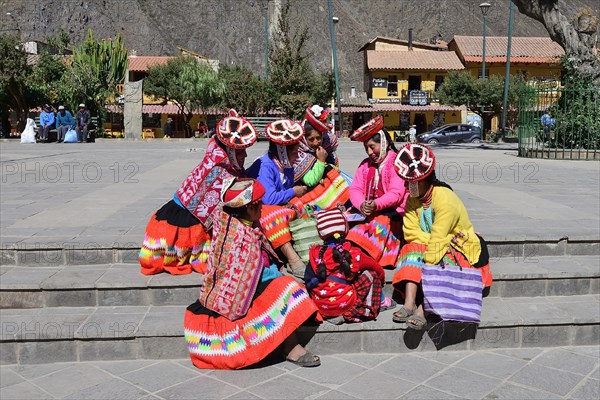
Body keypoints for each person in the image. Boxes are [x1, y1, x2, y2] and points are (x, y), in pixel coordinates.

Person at [184, 177, 321, 369]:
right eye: (259, 204)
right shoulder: (243, 238)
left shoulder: (228, 222)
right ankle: (290, 347)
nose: (263, 207)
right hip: (232, 308)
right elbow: (258, 276)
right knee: (288, 288)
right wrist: (282, 278)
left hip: (230, 295)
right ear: (249, 208)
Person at [139, 110, 258, 275]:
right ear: (229, 151)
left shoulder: (215, 157)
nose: (244, 155)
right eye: (239, 151)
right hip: (179, 226)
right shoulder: (220, 171)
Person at [391, 143, 493, 330]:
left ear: (424, 180)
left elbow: (439, 238)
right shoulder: (413, 200)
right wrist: (440, 241)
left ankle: (424, 309)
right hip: (443, 242)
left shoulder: (445, 198)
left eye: (410, 183)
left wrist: (440, 242)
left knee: (439, 255)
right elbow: (411, 233)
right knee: (410, 248)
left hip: (462, 248)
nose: (407, 186)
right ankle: (409, 302)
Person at [305, 208, 396, 325]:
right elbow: (377, 269)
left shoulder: (315, 254)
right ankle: (374, 305)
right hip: (344, 304)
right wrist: (381, 281)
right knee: (371, 275)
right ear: (345, 228)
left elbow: (308, 280)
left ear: (320, 233)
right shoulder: (353, 252)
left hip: (321, 306)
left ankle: (330, 312)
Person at [246, 119, 308, 278]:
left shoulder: (286, 166)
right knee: (273, 215)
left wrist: (291, 197)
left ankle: (305, 247)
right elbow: (268, 199)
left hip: (272, 204)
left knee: (300, 204)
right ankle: (292, 259)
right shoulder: (265, 166)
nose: (297, 157)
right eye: (294, 153)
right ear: (282, 152)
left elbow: (285, 192)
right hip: (255, 209)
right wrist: (293, 191)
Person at [346, 115, 409, 268]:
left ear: (385, 143)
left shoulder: (396, 163)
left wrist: (374, 204)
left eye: (372, 147)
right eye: (366, 148)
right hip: (368, 210)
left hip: (391, 213)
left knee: (378, 225)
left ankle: (362, 254)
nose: (369, 152)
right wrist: (362, 205)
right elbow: (355, 188)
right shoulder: (365, 165)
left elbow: (396, 194)